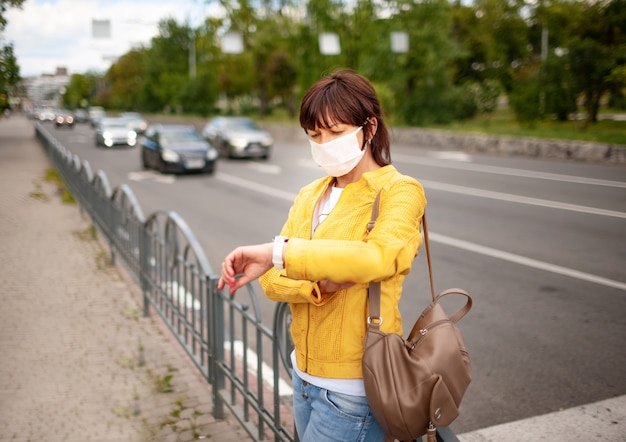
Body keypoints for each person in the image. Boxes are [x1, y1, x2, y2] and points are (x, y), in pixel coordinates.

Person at [217, 68, 427, 442]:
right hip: (301, 375)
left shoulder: (400, 191)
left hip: (354, 388)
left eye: (336, 132)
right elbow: (271, 279)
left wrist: (279, 254)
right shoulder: (310, 194)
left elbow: (376, 258)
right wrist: (316, 286)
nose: (325, 142)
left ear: (370, 128)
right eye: (315, 135)